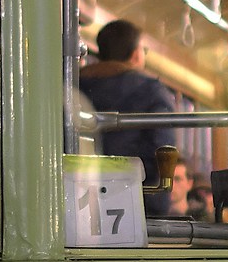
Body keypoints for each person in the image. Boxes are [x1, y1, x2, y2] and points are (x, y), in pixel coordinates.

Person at [78, 20, 188, 212]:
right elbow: (162, 148)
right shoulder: (151, 91)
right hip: (139, 201)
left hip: (79, 196)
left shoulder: (74, 86)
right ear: (136, 54)